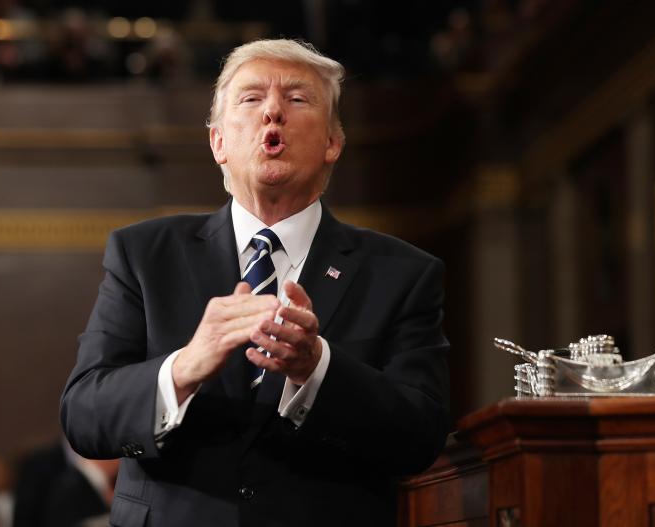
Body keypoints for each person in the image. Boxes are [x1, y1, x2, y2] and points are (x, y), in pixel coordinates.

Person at [60, 38, 450, 527]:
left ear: (333, 142)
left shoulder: (403, 273)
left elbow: (421, 437)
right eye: (251, 98)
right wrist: (184, 367)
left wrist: (318, 369)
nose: (272, 112)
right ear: (218, 141)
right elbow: (84, 414)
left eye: (297, 98)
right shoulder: (143, 254)